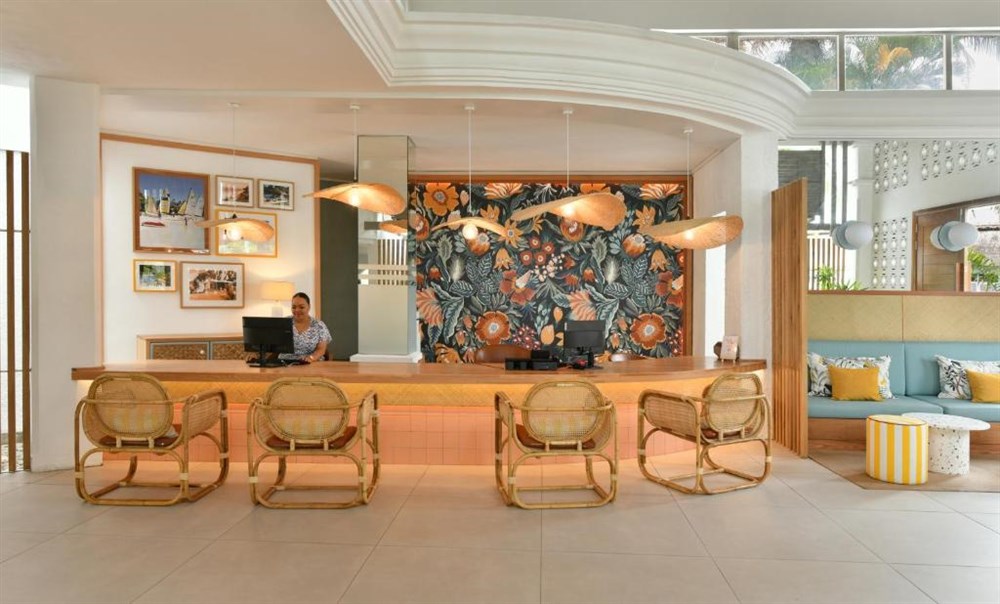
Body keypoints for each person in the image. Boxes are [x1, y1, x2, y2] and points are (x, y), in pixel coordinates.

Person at [280, 292, 331, 363]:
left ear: (309, 307)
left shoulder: (319, 325)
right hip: (285, 364)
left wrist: (311, 358)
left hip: (311, 363)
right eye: (294, 307)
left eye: (301, 307)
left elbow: (321, 350)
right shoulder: (283, 323)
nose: (297, 310)